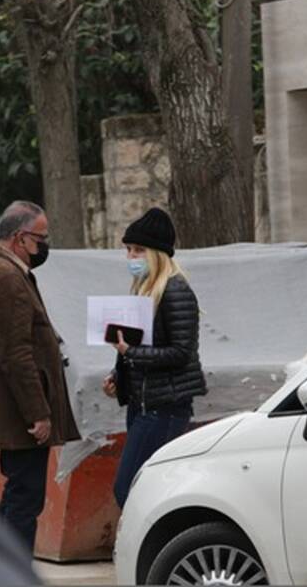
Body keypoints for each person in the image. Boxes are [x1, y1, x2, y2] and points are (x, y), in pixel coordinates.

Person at [0, 201, 80, 551]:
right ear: (20, 238)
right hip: (21, 418)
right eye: (40, 239)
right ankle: (11, 571)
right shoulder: (7, 279)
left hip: (11, 411)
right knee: (25, 501)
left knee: (18, 494)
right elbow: (16, 355)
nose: (44, 246)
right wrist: (37, 412)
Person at [102, 207, 206, 508]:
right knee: (144, 490)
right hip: (143, 405)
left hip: (164, 408)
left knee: (129, 489)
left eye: (138, 250)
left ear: (157, 254)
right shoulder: (144, 291)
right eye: (128, 249)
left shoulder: (175, 291)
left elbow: (181, 352)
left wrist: (130, 353)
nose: (131, 256)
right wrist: (118, 376)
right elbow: (141, 348)